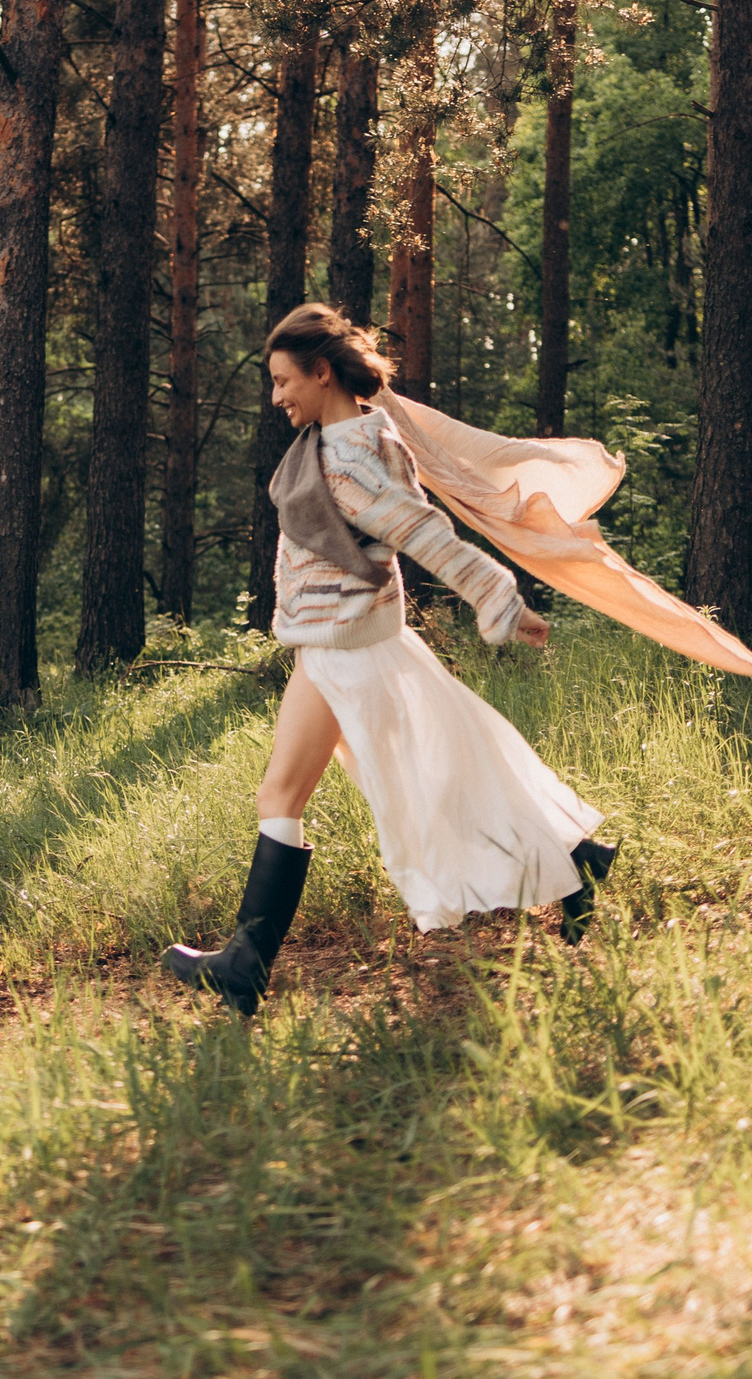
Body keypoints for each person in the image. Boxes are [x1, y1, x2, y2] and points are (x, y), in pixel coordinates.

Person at [166, 305, 619, 1016]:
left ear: (322, 372)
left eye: (285, 381)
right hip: (358, 639)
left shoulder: (349, 456)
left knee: (282, 797)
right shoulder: (361, 432)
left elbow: (423, 533)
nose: (278, 396)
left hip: (343, 649)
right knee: (443, 776)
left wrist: (497, 597)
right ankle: (575, 863)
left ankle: (244, 966)